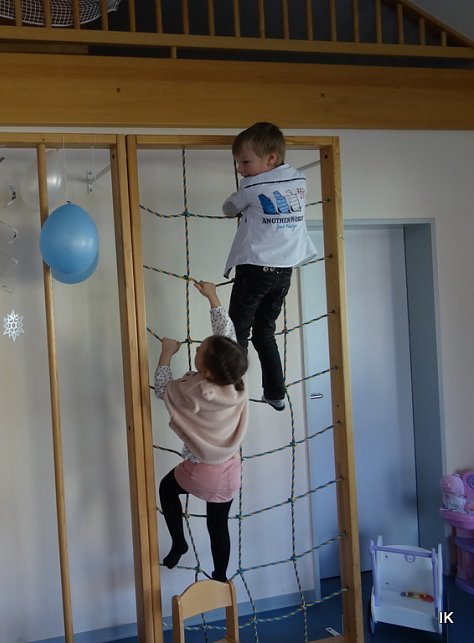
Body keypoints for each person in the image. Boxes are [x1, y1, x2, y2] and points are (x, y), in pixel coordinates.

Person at [155, 280, 248, 580]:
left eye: (200, 350)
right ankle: (220, 575)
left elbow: (162, 390)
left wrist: (167, 353)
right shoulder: (236, 382)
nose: (200, 345)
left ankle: (179, 542)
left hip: (202, 468)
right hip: (230, 470)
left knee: (167, 490)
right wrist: (213, 297)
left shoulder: (195, 389)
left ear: (206, 371)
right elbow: (227, 337)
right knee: (217, 524)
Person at [222, 122, 316, 411]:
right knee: (265, 332)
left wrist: (239, 199)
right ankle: (275, 393)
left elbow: (228, 209)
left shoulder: (253, 185)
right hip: (284, 273)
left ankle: (231, 389)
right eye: (238, 162)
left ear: (271, 159)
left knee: (236, 330)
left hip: (255, 270)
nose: (240, 169)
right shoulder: (299, 181)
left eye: (245, 161)